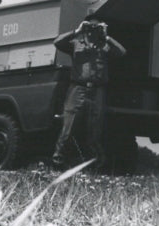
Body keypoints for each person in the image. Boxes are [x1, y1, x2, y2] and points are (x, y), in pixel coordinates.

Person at [52, 16, 126, 169]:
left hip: (97, 91)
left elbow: (121, 52)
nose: (92, 30)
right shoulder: (75, 44)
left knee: (95, 130)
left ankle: (95, 165)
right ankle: (58, 162)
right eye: (90, 27)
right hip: (77, 88)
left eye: (96, 27)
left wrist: (106, 36)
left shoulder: (104, 46)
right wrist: (77, 31)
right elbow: (57, 42)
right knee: (68, 128)